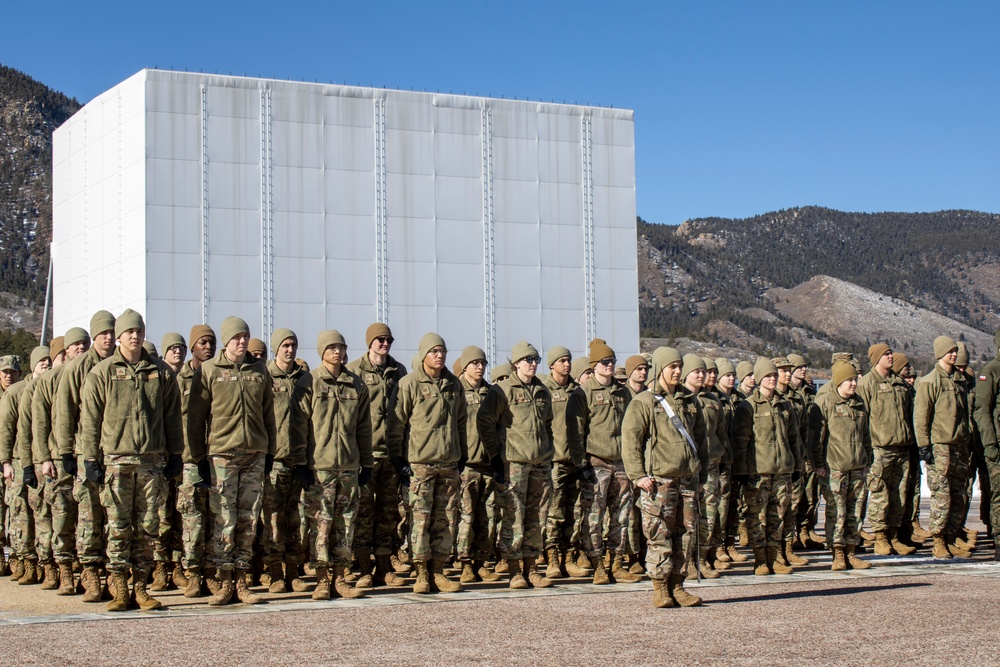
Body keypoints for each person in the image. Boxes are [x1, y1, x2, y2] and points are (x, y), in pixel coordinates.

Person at [78, 310, 183, 610]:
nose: (135, 336)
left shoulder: (161, 372)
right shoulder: (103, 373)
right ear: (119, 337)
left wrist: (175, 454)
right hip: (117, 461)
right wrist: (90, 458)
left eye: (139, 331)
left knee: (149, 526)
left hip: (151, 462)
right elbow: (90, 420)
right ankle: (120, 588)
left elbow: (172, 418)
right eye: (129, 332)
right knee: (119, 526)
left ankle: (141, 587)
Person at [188, 316, 276, 605]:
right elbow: (196, 418)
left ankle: (242, 580)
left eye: (245, 337)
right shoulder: (210, 371)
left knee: (248, 520)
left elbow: (268, 416)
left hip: (254, 454)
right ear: (226, 341)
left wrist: (270, 452)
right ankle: (224, 581)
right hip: (222, 455)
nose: (242, 342)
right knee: (224, 518)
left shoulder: (259, 371)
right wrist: (199, 456)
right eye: (237, 337)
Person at [622, 346, 709, 608]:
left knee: (686, 534)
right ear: (660, 369)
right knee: (659, 534)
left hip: (687, 481)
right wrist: (638, 476)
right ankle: (660, 588)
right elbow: (631, 441)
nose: (677, 371)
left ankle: (678, 585)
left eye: (680, 366)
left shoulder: (690, 401)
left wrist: (700, 473)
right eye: (672, 367)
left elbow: (701, 440)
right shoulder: (644, 402)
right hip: (658, 482)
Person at [386, 332, 467, 594]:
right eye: (434, 351)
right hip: (420, 464)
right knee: (419, 520)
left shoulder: (454, 385)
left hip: (448, 462)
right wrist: (398, 459)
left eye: (442, 351)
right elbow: (396, 424)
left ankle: (439, 571)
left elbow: (461, 422)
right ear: (423, 355)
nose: (440, 355)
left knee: (446, 519)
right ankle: (421, 572)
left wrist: (461, 453)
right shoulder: (409, 384)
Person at [301, 330, 371, 600]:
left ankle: (341, 577)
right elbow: (300, 426)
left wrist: (366, 463)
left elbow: (364, 427)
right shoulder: (310, 382)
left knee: (346, 523)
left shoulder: (356, 384)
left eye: (341, 347)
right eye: (331, 347)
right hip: (320, 466)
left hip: (349, 466)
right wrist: (301, 463)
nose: (337, 352)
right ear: (322, 351)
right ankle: (322, 579)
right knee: (320, 523)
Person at [478, 341, 555, 589]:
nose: (533, 364)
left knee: (537, 517)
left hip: (540, 464)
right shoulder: (503, 390)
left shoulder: (542, 390)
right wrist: (496, 456)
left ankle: (532, 567)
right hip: (514, 463)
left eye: (536, 360)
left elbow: (549, 424)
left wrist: (548, 451)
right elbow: (485, 422)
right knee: (514, 516)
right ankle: (513, 569)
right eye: (528, 360)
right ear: (516, 363)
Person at [567, 339, 640, 584]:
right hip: (596, 462)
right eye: (605, 362)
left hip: (621, 463)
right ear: (594, 365)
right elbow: (575, 432)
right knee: (594, 516)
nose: (610, 366)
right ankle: (597, 563)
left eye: (612, 362)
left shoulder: (624, 392)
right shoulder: (582, 394)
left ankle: (616, 562)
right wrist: (581, 464)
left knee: (621, 516)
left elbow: (633, 427)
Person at [56, 310, 116, 602]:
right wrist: (65, 450)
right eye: (103, 332)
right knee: (90, 516)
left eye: (111, 331)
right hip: (87, 452)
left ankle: (115, 576)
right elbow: (65, 412)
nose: (108, 336)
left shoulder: (121, 363)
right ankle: (91, 574)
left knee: (118, 518)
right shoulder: (77, 368)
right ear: (95, 335)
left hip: (118, 451)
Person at [346, 323, 408, 587]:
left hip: (391, 452)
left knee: (387, 512)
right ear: (370, 342)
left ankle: (384, 567)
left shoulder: (399, 371)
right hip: (365, 453)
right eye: (380, 340)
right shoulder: (355, 371)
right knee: (363, 512)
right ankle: (363, 568)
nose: (385, 344)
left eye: (388, 340)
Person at [731, 358, 803, 576]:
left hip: (782, 471)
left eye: (774, 375)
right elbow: (740, 441)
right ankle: (760, 560)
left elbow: (794, 438)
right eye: (768, 376)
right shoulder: (748, 406)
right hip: (758, 472)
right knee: (758, 518)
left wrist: (796, 465)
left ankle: (775, 557)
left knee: (778, 517)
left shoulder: (785, 405)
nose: (772, 379)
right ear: (759, 379)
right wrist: (742, 471)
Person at [33, 331, 83, 595]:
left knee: (91, 518)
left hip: (88, 457)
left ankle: (89, 571)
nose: (79, 349)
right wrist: (43, 458)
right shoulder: (50, 380)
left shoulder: (95, 372)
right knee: (61, 516)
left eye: (84, 344)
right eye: (74, 346)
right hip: (58, 457)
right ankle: (62, 570)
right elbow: (39, 423)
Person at [262, 328, 312, 593]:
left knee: (295, 519)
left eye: (293, 345)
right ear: (276, 348)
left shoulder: (306, 379)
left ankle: (294, 572)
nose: (289, 350)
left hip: (299, 460)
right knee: (272, 519)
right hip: (276, 459)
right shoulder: (265, 377)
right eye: (284, 345)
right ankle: (274, 573)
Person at [855, 343, 917, 556]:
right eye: (886, 354)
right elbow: (863, 420)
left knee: (899, 494)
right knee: (880, 494)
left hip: (902, 447)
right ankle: (880, 537)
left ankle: (893, 535)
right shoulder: (867, 384)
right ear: (876, 359)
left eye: (891, 353)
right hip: (879, 449)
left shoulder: (900, 384)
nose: (890, 357)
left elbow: (909, 414)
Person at [914, 336, 972, 559]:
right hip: (941, 447)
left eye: (955, 351)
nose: (954, 354)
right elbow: (921, 417)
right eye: (949, 351)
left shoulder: (959, 381)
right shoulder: (930, 381)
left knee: (959, 496)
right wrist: (924, 445)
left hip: (959, 446)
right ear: (940, 353)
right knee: (942, 496)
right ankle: (938, 541)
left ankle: (950, 537)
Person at [813, 361, 872, 571]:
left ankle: (852, 551)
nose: (853, 383)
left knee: (855, 512)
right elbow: (817, 438)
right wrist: (818, 464)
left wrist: (868, 461)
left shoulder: (859, 404)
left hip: (857, 467)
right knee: (836, 512)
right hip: (834, 468)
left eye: (855, 379)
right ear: (839, 381)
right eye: (849, 380)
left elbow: (866, 436)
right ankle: (837, 552)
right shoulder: (825, 403)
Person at [454, 345, 503, 583]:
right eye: (474, 363)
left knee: (489, 517)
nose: (479, 367)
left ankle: (482, 561)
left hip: (489, 464)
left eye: (482, 363)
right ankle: (464, 563)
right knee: (466, 517)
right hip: (467, 466)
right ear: (464, 366)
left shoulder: (491, 392)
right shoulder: (456, 391)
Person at [175, 324, 217, 597]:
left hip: (216, 457)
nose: (208, 346)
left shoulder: (218, 374)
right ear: (192, 346)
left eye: (212, 342)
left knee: (216, 517)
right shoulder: (181, 379)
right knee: (192, 519)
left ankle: (212, 572)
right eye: (202, 342)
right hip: (189, 458)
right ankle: (192, 574)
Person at [541, 346, 590, 578]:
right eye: (561, 360)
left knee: (574, 512)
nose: (567, 364)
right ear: (551, 365)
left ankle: (568, 556)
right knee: (554, 511)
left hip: (577, 460)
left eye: (568, 360)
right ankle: (552, 558)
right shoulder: (544, 390)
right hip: (555, 460)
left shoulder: (578, 391)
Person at [16, 348, 54, 587]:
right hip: (33, 460)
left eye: (48, 360)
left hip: (53, 459)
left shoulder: (55, 385)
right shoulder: (22, 391)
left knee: (54, 517)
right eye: (41, 361)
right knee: (32, 516)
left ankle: (53, 566)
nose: (46, 364)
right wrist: (20, 464)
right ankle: (34, 562)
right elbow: (16, 431)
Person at [974, 329, 1000, 559]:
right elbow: (982, 411)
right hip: (998, 444)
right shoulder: (991, 371)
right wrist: (990, 443)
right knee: (999, 492)